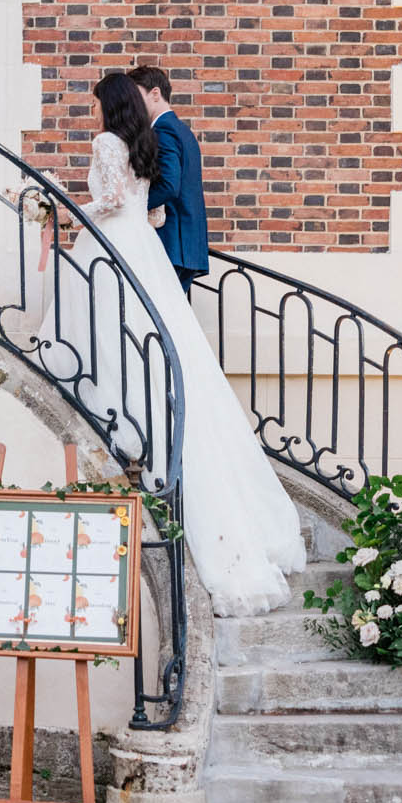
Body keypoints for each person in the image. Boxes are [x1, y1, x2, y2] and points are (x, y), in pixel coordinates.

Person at [48, 71, 306, 617]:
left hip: (115, 242)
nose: (92, 111)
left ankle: (119, 411)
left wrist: (66, 211)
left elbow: (115, 199)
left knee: (108, 329)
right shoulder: (143, 141)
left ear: (109, 105)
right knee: (152, 339)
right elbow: (155, 208)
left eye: (96, 103)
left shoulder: (105, 142)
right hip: (144, 247)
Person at [127, 65, 207, 291]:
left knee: (158, 318)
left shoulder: (163, 131)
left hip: (173, 240)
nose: (133, 105)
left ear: (155, 93)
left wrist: (134, 207)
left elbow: (170, 186)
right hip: (187, 243)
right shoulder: (181, 129)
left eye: (136, 96)